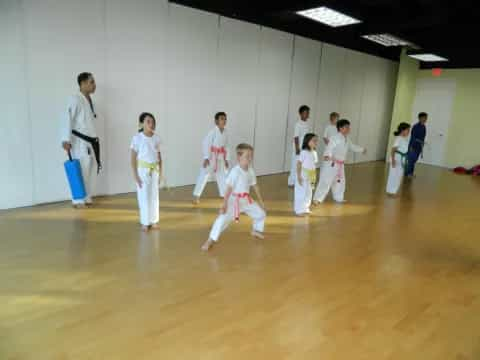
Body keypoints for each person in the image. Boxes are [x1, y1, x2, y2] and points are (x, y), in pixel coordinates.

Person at [201, 143, 266, 251]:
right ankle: (210, 240)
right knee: (222, 220)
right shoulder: (235, 172)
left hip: (246, 200)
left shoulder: (250, 171)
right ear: (239, 157)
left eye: (251, 156)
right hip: (234, 200)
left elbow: (255, 186)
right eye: (247, 156)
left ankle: (256, 230)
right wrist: (224, 204)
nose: (250, 159)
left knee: (261, 214)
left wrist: (261, 202)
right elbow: (229, 189)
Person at [60, 72, 101, 208]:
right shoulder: (75, 99)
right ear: (82, 84)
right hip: (80, 141)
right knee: (82, 168)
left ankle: (86, 196)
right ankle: (77, 199)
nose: (94, 85)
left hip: (90, 141)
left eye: (93, 82)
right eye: (91, 82)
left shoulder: (89, 100)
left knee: (89, 168)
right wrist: (66, 139)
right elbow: (67, 117)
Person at [313, 119, 366, 204]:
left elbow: (352, 146)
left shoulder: (347, 138)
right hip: (331, 163)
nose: (349, 129)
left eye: (349, 127)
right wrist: (327, 155)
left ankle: (338, 197)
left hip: (340, 165)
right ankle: (317, 198)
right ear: (340, 128)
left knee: (340, 181)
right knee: (326, 181)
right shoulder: (335, 138)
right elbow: (329, 147)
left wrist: (362, 149)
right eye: (346, 127)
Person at [130, 113, 163, 232]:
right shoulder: (137, 138)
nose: (151, 124)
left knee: (154, 196)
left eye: (153, 121)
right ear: (141, 124)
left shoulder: (156, 138)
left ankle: (154, 220)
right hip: (142, 171)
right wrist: (136, 176)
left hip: (154, 170)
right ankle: (145, 221)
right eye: (148, 121)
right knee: (143, 196)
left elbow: (159, 157)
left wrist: (161, 173)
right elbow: (133, 159)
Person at [192, 112, 230, 204]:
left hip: (220, 157)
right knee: (204, 175)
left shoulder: (226, 132)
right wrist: (206, 157)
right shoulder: (213, 132)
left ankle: (224, 194)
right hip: (212, 156)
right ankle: (196, 196)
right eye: (221, 119)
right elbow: (206, 143)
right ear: (216, 121)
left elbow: (227, 146)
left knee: (222, 176)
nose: (224, 120)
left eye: (225, 119)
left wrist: (227, 159)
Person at [294, 133, 318, 216]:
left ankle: (305, 208)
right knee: (301, 192)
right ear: (307, 141)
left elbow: (313, 165)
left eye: (316, 141)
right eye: (313, 140)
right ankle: (299, 210)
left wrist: (314, 177)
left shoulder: (314, 152)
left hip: (311, 174)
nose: (315, 142)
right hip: (303, 173)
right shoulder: (304, 152)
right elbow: (299, 164)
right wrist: (299, 176)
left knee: (309, 191)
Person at [288, 105, 312, 187]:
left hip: (305, 148)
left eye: (308, 113)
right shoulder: (298, 124)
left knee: (301, 165)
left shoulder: (307, 124)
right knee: (295, 164)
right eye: (305, 113)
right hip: (298, 148)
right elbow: (296, 137)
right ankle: (291, 182)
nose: (307, 114)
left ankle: (298, 180)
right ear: (300, 114)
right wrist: (297, 148)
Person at [386, 123, 411, 195]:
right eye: (408, 130)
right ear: (403, 130)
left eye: (409, 130)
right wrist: (393, 160)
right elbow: (393, 149)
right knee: (393, 175)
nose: (408, 132)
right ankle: (391, 191)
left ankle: (393, 191)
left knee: (399, 175)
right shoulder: (398, 138)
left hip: (401, 159)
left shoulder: (404, 139)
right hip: (396, 158)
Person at [405, 112, 428, 178]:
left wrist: (422, 145)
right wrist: (411, 147)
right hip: (413, 146)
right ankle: (407, 173)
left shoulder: (424, 127)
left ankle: (411, 173)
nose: (425, 119)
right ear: (420, 118)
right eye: (424, 118)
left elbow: (423, 137)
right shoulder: (415, 126)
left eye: (426, 118)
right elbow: (413, 137)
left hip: (419, 147)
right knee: (410, 160)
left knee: (414, 161)